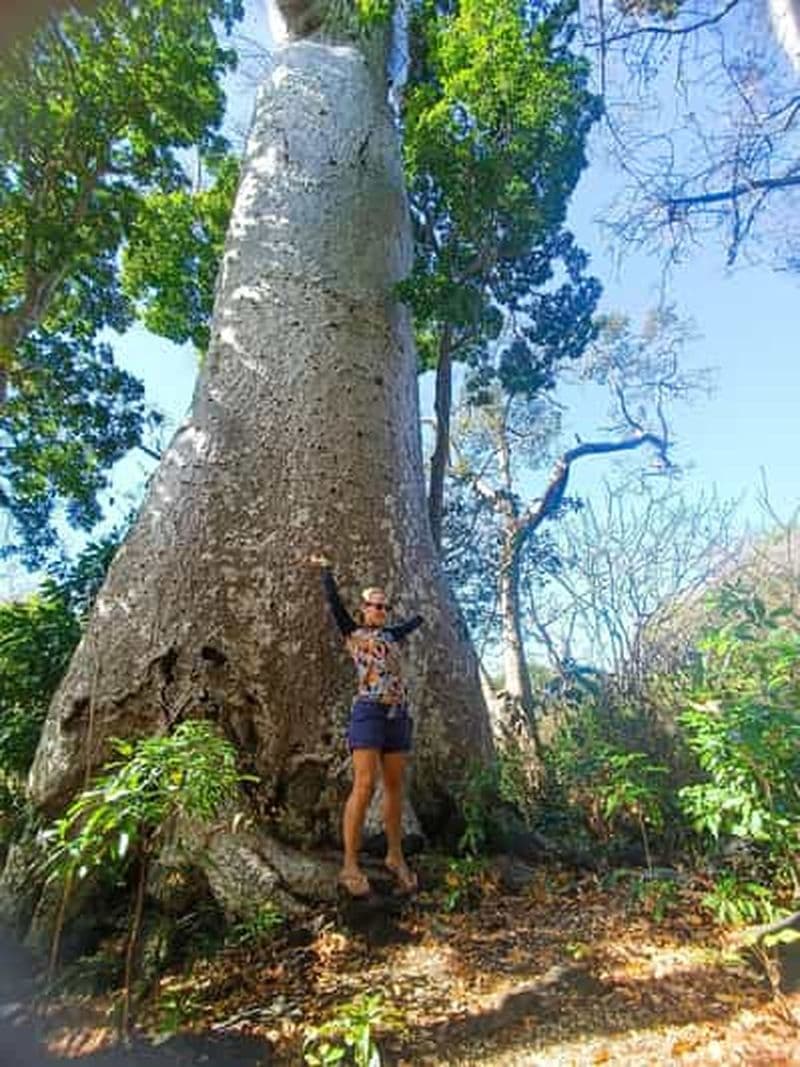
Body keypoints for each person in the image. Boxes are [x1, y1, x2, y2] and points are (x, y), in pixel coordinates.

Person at [309, 554, 423, 897]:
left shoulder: (391, 634)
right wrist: (326, 571)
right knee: (364, 784)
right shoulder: (352, 632)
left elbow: (409, 625)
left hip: (397, 715)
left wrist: (420, 616)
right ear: (363, 609)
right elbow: (334, 605)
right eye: (374, 606)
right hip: (369, 712)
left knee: (394, 787)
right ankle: (349, 864)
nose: (380, 611)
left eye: (385, 607)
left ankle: (394, 855)